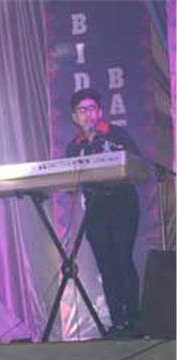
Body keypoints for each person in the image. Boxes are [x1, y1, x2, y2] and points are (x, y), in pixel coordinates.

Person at [66, 88, 141, 338]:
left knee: (122, 260)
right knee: (106, 266)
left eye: (91, 109)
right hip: (96, 211)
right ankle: (118, 322)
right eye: (82, 111)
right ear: (74, 117)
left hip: (122, 205)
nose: (87, 115)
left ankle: (134, 320)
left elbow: (136, 164)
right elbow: (70, 182)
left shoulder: (116, 135)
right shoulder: (74, 147)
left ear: (99, 112)